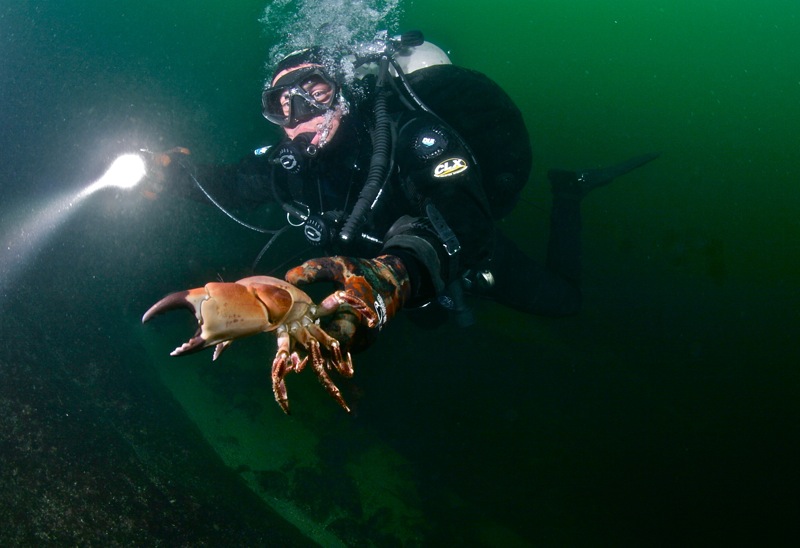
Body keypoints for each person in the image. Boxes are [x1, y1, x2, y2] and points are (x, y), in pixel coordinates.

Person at [150, 32, 657, 356]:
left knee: (564, 302)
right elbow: (231, 186)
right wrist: (168, 173)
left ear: (344, 90)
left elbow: (466, 221)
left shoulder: (408, 135)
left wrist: (392, 273)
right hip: (377, 275)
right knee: (431, 322)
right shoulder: (288, 163)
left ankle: (568, 193)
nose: (300, 113)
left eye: (315, 91)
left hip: (452, 252)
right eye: (282, 104)